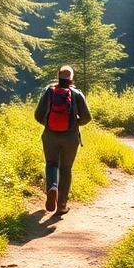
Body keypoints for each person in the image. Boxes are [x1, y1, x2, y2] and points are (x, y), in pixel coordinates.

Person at [34, 65, 91, 214]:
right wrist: (75, 123)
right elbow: (87, 117)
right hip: (70, 138)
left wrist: (48, 124)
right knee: (65, 169)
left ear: (58, 77)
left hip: (50, 136)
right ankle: (62, 204)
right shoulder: (77, 94)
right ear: (71, 80)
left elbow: (38, 115)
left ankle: (52, 187)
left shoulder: (49, 92)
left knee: (51, 164)